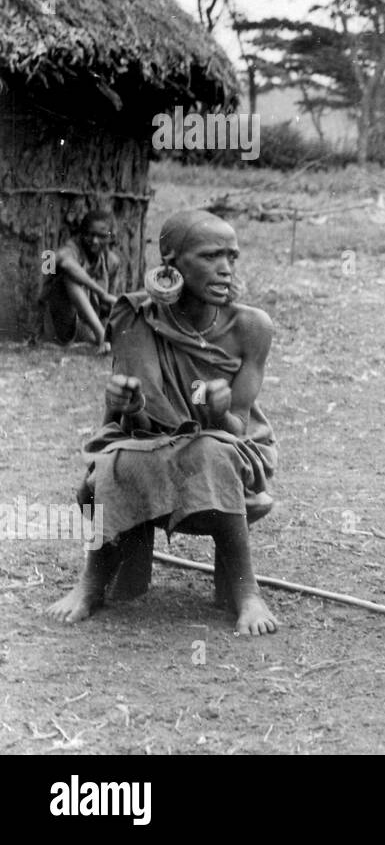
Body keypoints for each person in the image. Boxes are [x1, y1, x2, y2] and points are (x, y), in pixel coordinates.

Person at [46, 209, 278, 636]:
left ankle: (247, 592)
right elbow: (132, 422)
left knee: (213, 452)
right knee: (115, 460)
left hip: (227, 447)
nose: (225, 269)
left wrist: (216, 411)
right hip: (149, 441)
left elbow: (238, 428)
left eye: (232, 256)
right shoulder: (134, 316)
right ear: (170, 257)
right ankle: (92, 583)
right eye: (211, 256)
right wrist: (124, 402)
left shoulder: (251, 327)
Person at [42, 210, 123, 355]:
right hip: (63, 323)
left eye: (102, 236)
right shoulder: (72, 248)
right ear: (81, 234)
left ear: (111, 237)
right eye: (89, 234)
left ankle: (102, 336)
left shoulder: (111, 261)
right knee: (69, 276)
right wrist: (101, 292)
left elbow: (108, 307)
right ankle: (100, 334)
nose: (94, 241)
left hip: (87, 325)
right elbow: (64, 262)